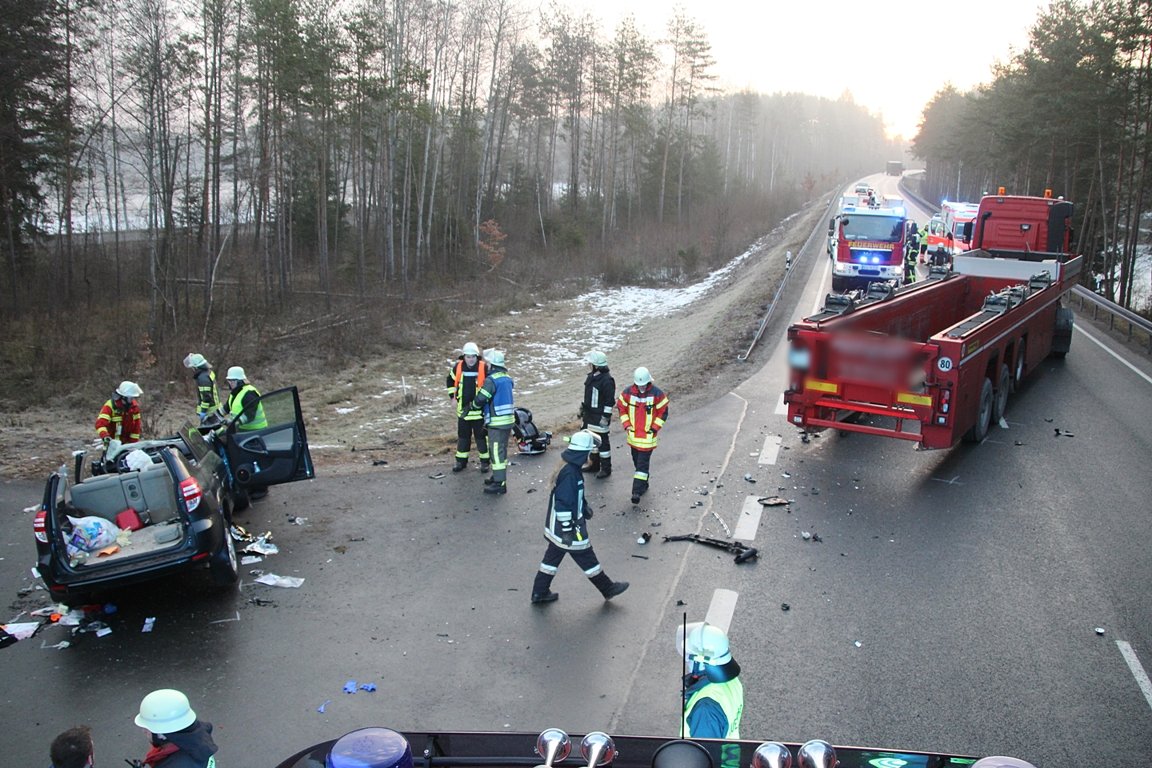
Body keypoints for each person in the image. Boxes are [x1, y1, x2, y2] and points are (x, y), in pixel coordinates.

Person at [530, 430, 629, 604]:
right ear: (583, 452)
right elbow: (563, 503)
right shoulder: (571, 473)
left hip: (557, 527)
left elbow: (573, 496)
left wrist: (584, 507)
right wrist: (567, 530)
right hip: (567, 527)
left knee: (551, 559)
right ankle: (607, 588)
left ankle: (539, 592)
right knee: (586, 555)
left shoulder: (569, 468)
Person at [677, 622, 744, 739]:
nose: (687, 661)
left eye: (689, 656)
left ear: (700, 661)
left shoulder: (705, 710)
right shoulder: (731, 681)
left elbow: (703, 750)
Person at [616, 366, 669, 505]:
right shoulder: (627, 393)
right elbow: (621, 408)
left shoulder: (657, 394)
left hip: (647, 439)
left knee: (641, 467)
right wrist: (627, 425)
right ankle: (644, 484)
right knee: (637, 463)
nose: (642, 387)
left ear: (649, 382)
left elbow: (663, 412)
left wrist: (654, 428)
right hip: (633, 438)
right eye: (640, 385)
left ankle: (636, 492)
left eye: (644, 385)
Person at [133, 688, 219, 767]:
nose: (144, 731)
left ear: (161, 734)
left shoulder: (175, 764)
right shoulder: (197, 741)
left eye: (148, 728)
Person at [472, 349, 514, 495]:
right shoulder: (507, 378)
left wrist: (473, 406)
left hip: (497, 422)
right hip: (508, 421)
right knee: (501, 450)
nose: (486, 365)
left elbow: (481, 398)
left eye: (488, 363)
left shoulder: (492, 380)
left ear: (493, 364)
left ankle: (500, 484)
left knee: (496, 452)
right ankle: (497, 476)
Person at [445, 342, 490, 473]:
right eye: (468, 357)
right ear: (464, 356)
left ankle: (485, 462)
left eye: (473, 357)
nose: (470, 359)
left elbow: (490, 385)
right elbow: (450, 381)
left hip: (479, 412)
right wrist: (452, 397)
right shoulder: (458, 367)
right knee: (463, 438)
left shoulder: (483, 368)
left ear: (477, 357)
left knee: (481, 439)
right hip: (463, 412)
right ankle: (461, 462)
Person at [579, 350, 615, 479]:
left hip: (599, 416)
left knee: (602, 443)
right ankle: (594, 464)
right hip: (589, 416)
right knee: (591, 440)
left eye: (591, 364)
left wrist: (605, 417)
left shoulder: (607, 380)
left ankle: (606, 468)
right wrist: (582, 410)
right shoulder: (591, 377)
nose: (589, 365)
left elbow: (609, 402)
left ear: (596, 365)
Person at [95, 381, 143, 449]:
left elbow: (136, 429)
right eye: (131, 398)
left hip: (127, 447)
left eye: (133, 398)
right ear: (123, 397)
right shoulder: (110, 406)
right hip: (111, 446)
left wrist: (133, 446)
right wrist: (105, 436)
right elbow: (100, 424)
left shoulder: (134, 408)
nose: (132, 400)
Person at [224, 366, 266, 431]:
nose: (230, 383)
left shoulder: (249, 393)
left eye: (233, 380)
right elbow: (226, 408)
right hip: (242, 429)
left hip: (256, 430)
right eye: (229, 380)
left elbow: (250, 415)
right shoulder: (235, 393)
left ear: (240, 381)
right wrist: (214, 417)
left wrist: (233, 422)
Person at [183, 353, 221, 423]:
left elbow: (206, 397)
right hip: (215, 408)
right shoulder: (208, 372)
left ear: (196, 367)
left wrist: (203, 411)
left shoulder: (203, 378)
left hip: (210, 411)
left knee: (210, 428)